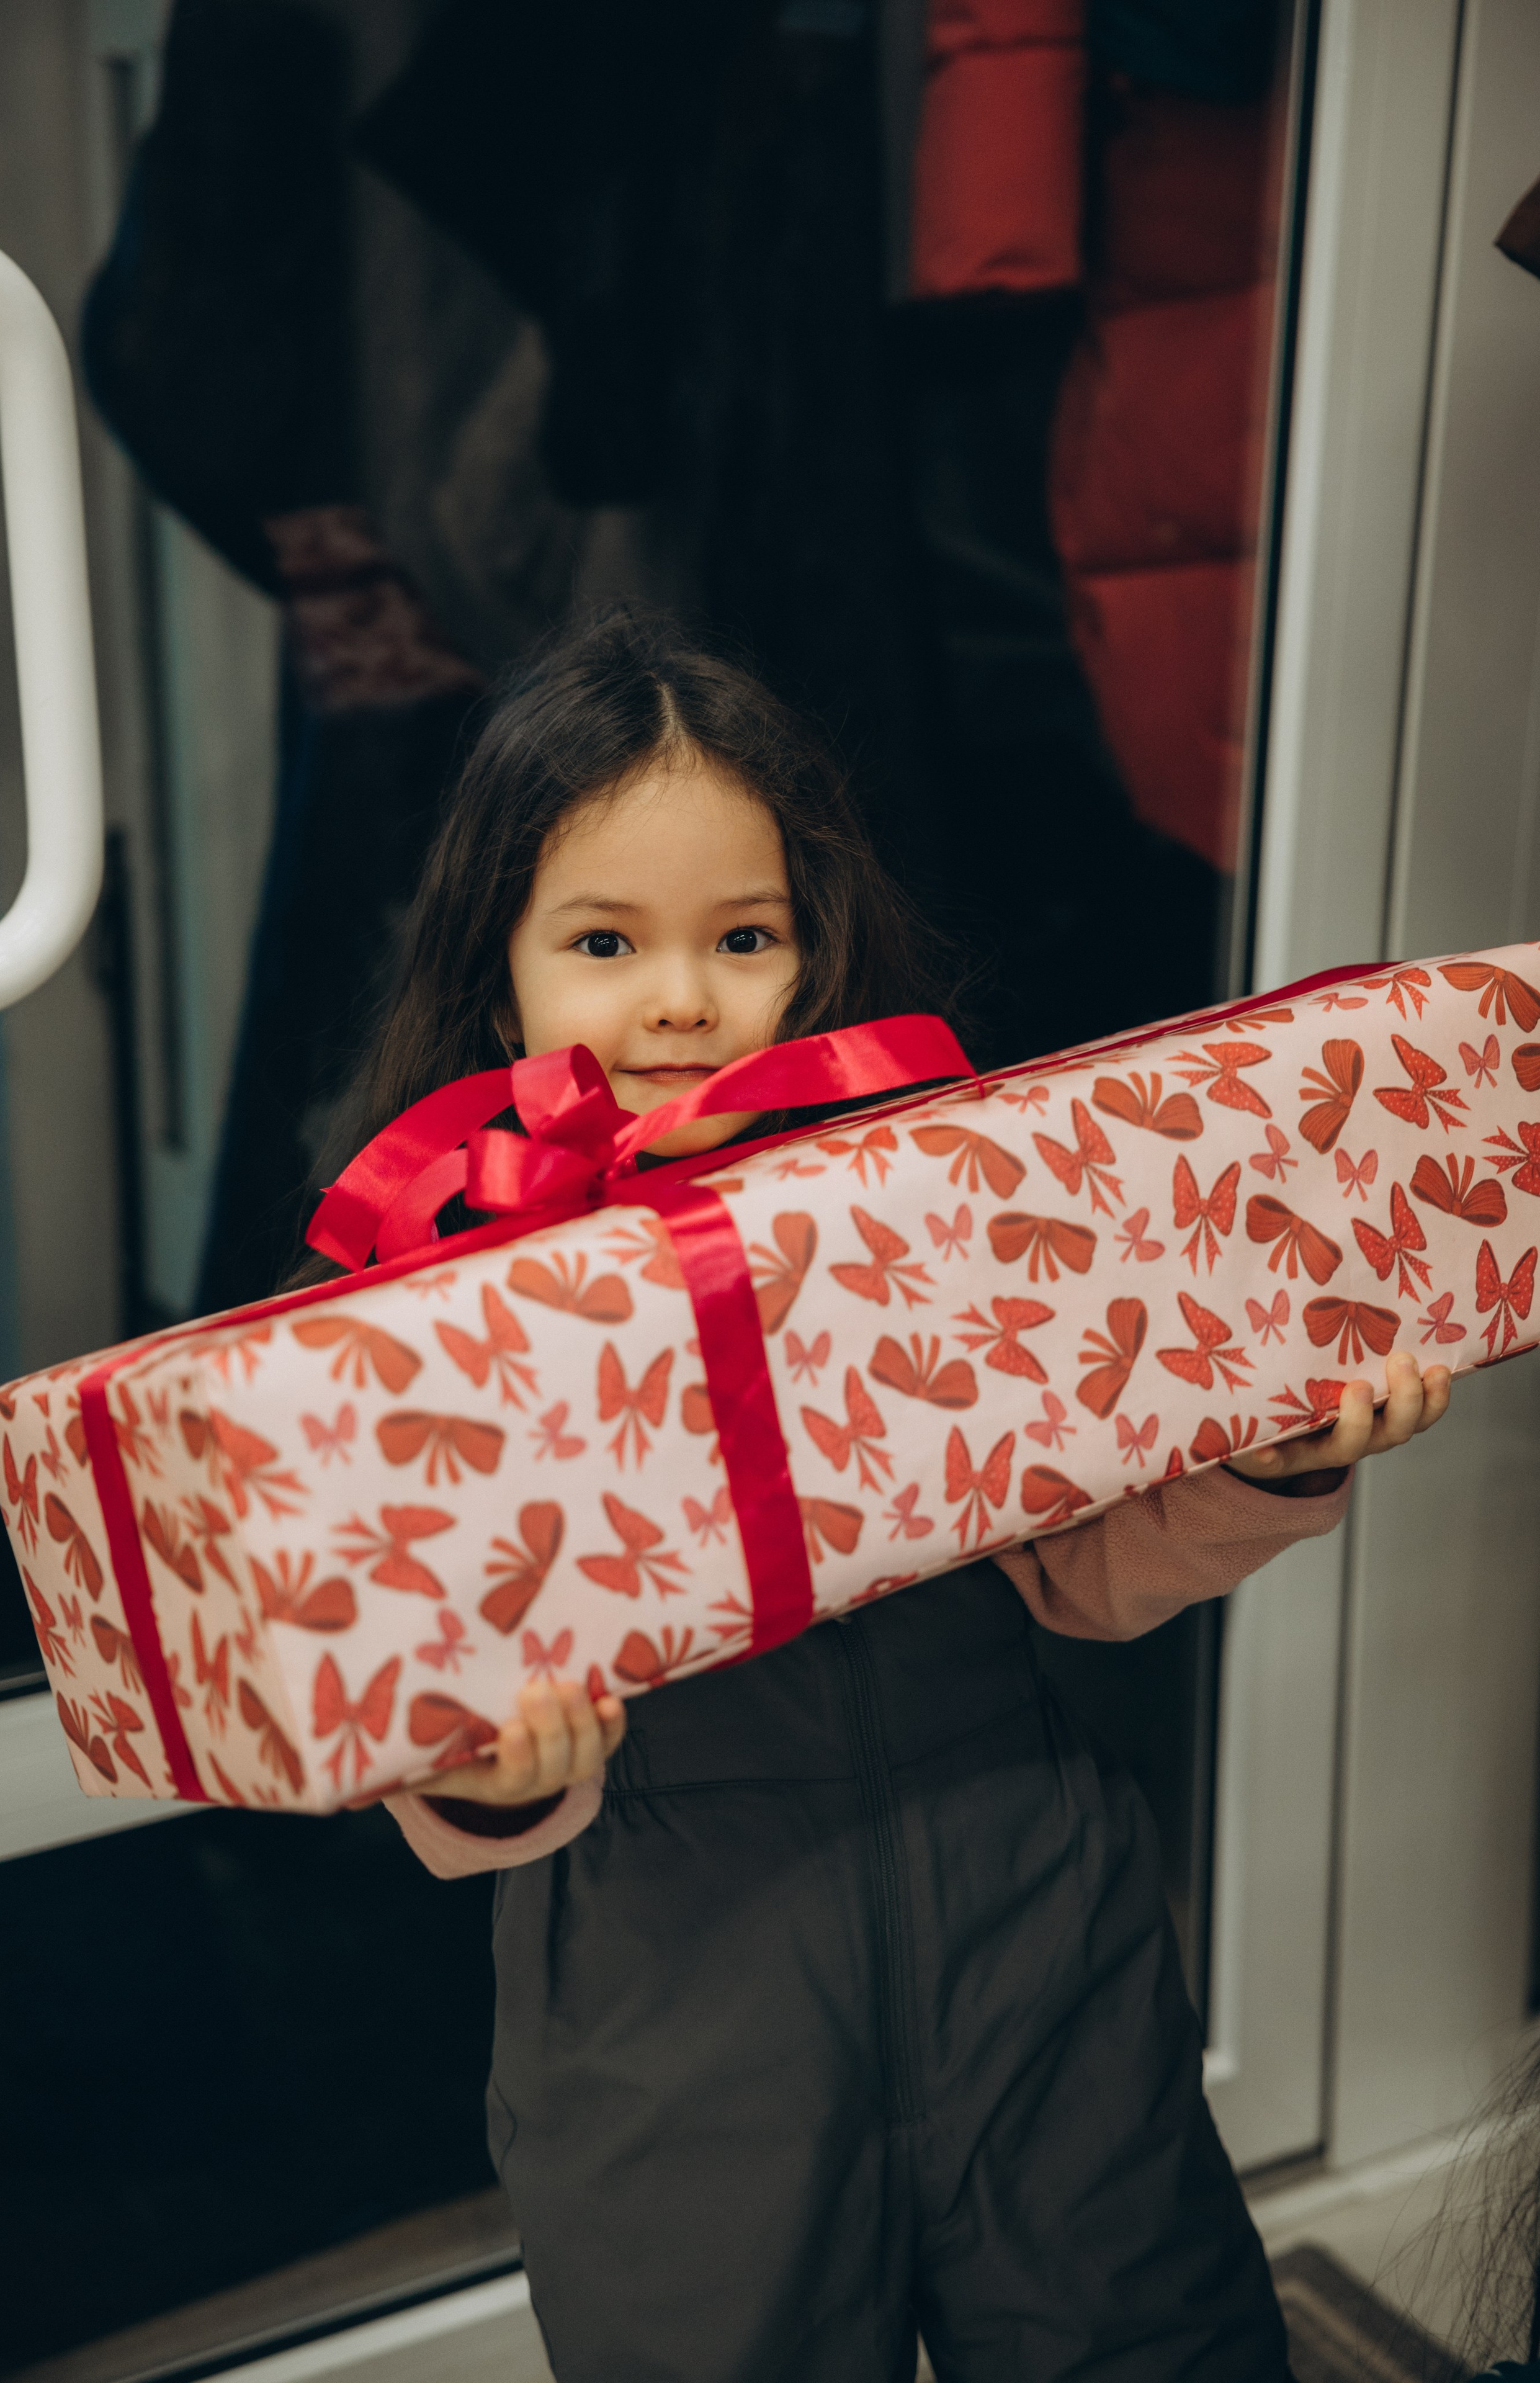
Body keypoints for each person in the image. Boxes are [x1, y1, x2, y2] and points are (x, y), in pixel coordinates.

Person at [308, 613, 1452, 2382]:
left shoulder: (928, 1212)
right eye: (607, 941)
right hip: (678, 2004)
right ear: (499, 974)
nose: (682, 998)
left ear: (810, 953)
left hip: (1034, 1920)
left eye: (741, 938)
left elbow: (1076, 1570)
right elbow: (414, 1673)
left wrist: (1270, 1457)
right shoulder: (444, 1302)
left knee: (1150, 2334)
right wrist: (479, 1772)